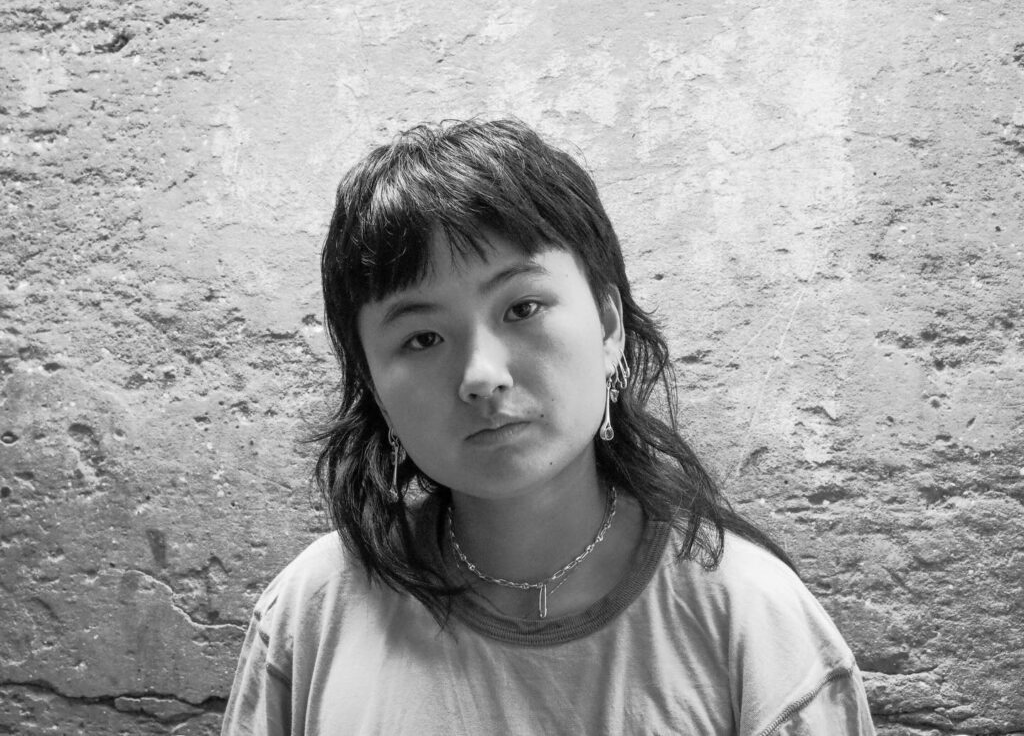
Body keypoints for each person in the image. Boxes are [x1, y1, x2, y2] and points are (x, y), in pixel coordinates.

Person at [221, 119, 876, 735]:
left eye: (523, 306)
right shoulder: (308, 619)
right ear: (373, 385)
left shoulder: (753, 623)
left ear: (610, 327)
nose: (482, 373)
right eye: (422, 337)